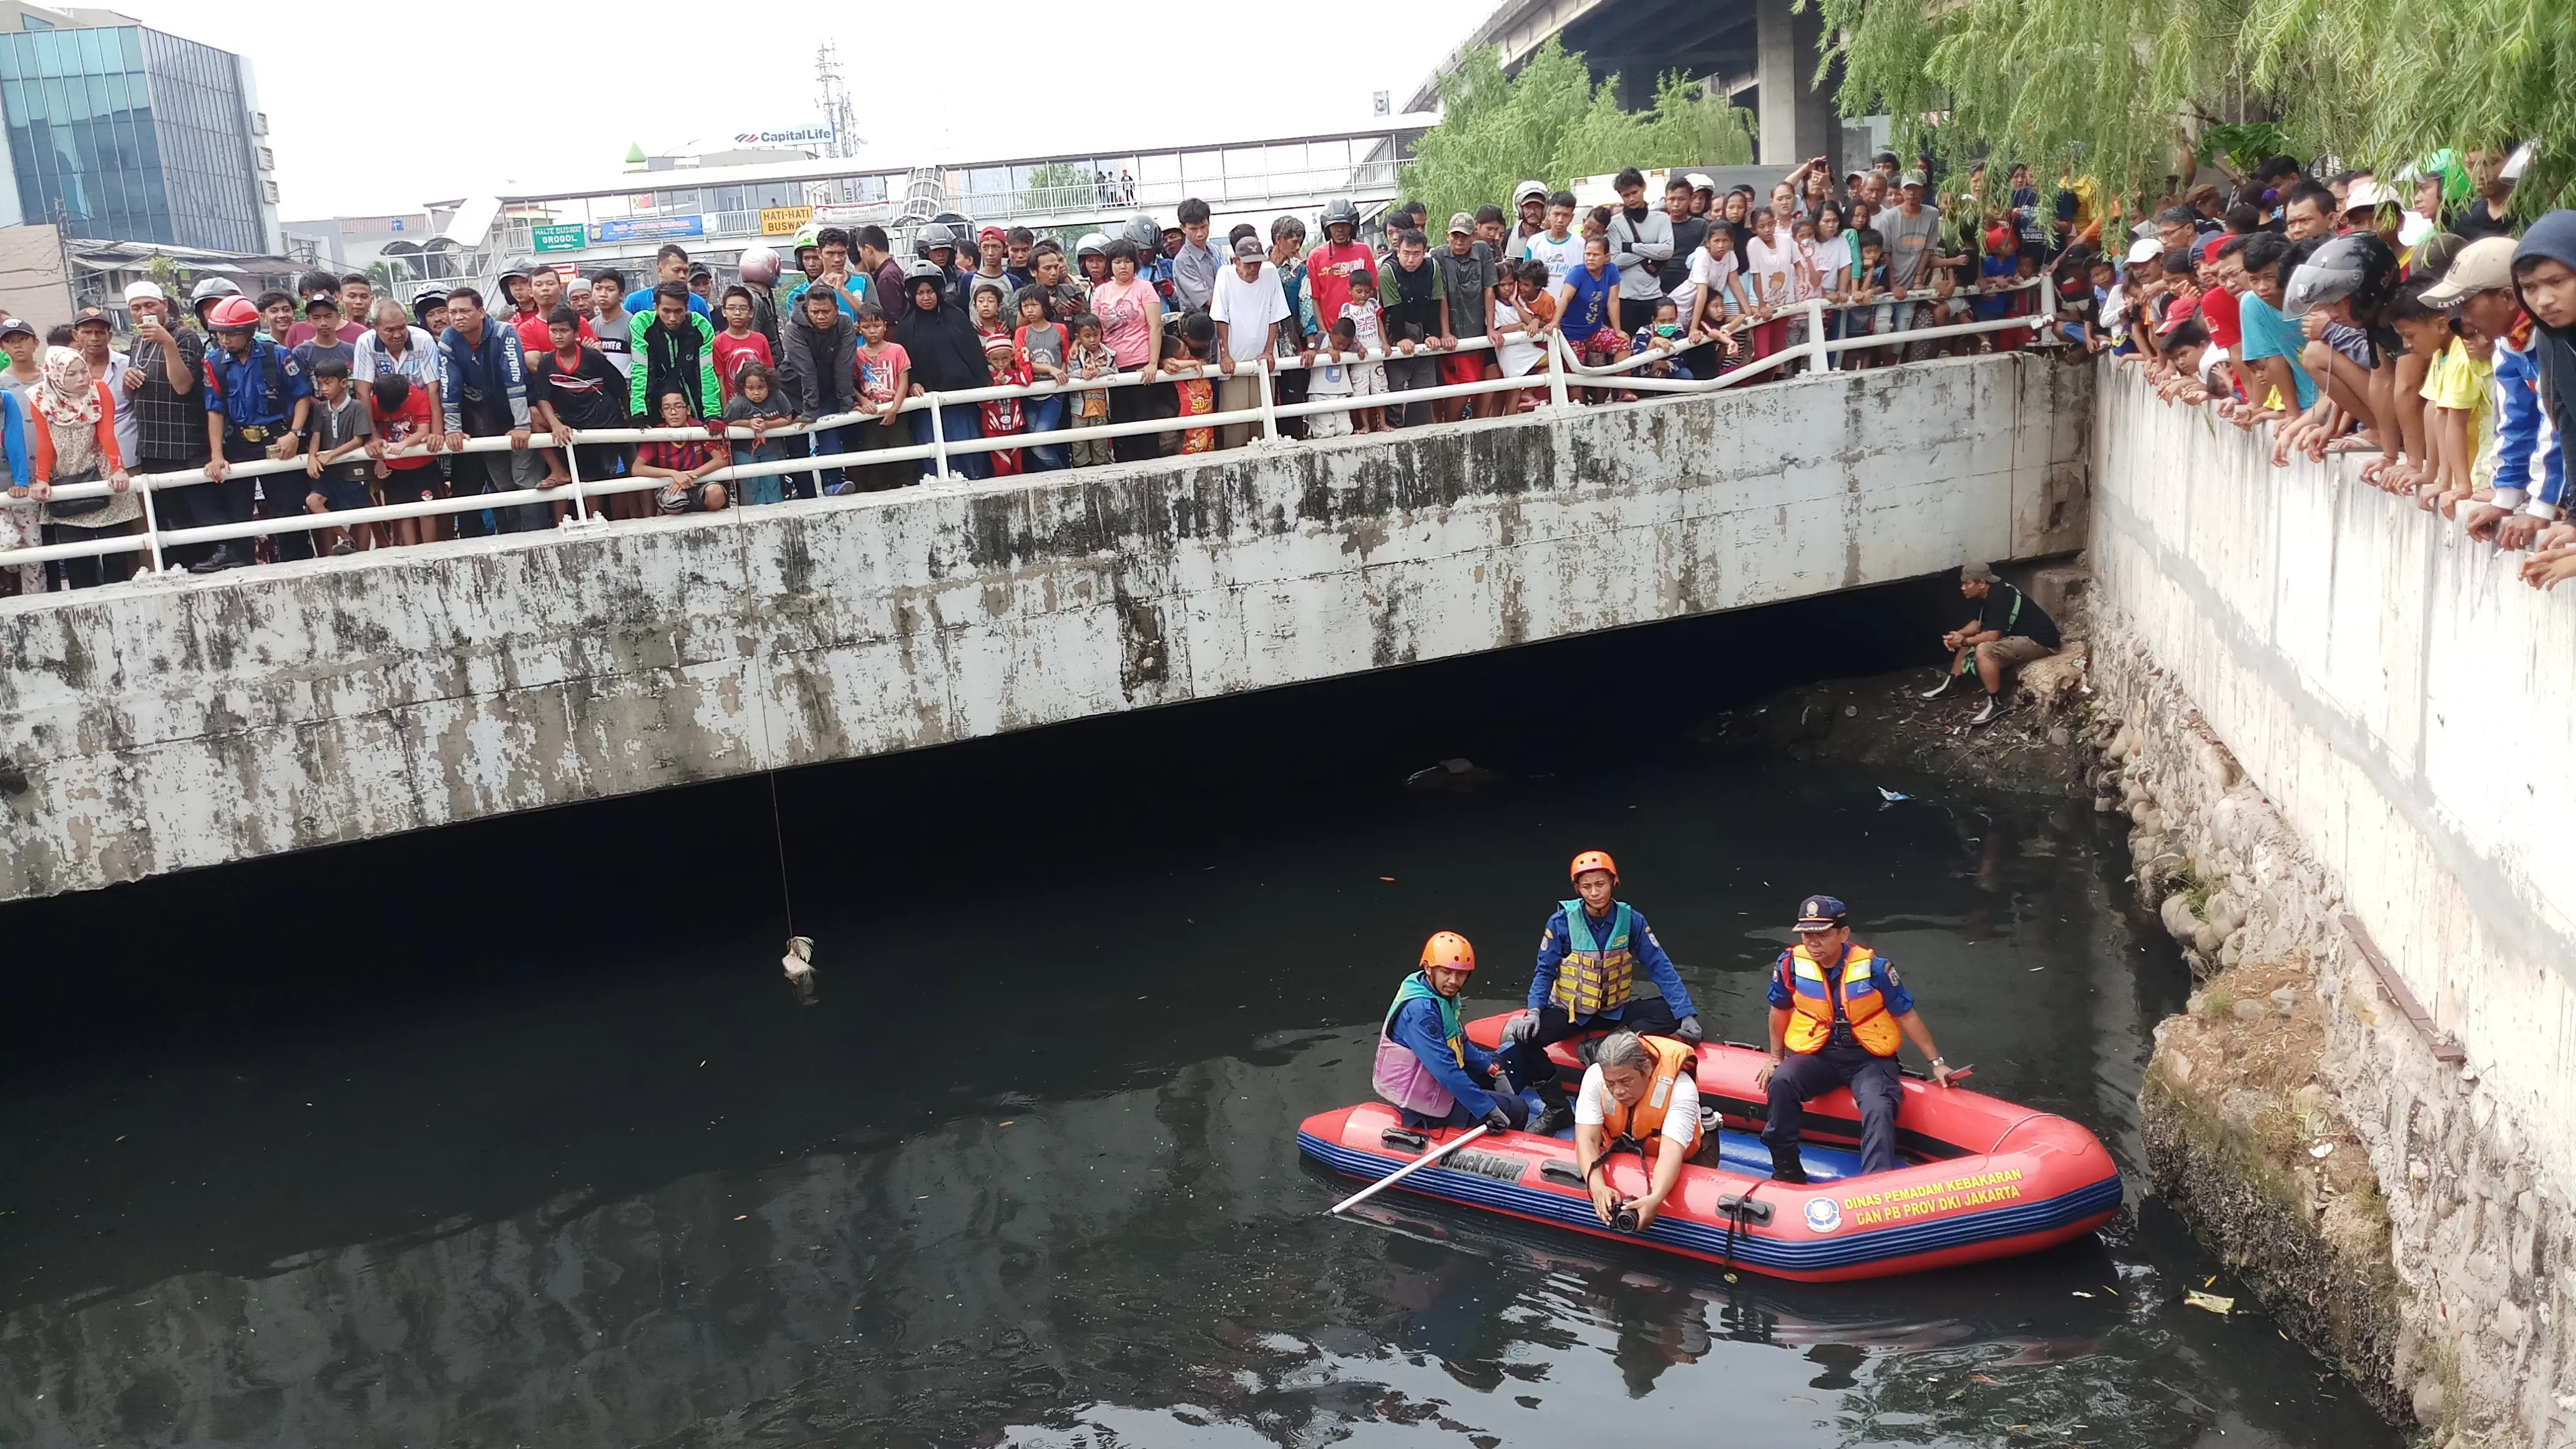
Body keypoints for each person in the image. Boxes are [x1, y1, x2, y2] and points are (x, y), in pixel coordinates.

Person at [1498, 851, 1703, 1129]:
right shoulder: (1561, 923)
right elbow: (1544, 972)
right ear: (1577, 889)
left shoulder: (1632, 921)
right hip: (1570, 1012)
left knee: (1672, 1012)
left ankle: (1602, 1045)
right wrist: (1534, 1011)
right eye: (1587, 887)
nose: (1594, 893)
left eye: (1601, 884)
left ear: (1613, 882)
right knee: (1527, 1039)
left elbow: (1661, 967)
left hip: (1613, 1012)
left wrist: (1686, 1013)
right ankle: (1557, 1108)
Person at [1756, 895, 1954, 1181]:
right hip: (1819, 1054)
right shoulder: (1790, 964)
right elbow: (1779, 1008)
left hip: (1868, 1058)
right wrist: (1776, 1059)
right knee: (1782, 1081)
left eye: (1822, 935)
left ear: (1843, 934)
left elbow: (1906, 1015)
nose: (1813, 942)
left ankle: (1875, 1184)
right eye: (1807, 935)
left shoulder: (1875, 969)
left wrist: (1937, 1062)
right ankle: (1786, 1167)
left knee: (1878, 1105)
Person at [196, 295, 312, 572]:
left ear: (249, 332)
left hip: (278, 440)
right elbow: (215, 411)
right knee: (238, 510)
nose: (224, 340)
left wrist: (294, 434)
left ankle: (297, 566)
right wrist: (217, 456)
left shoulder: (278, 356)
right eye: (220, 334)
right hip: (239, 442)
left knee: (288, 509)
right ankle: (243, 565)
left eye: (231, 334)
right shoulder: (214, 363)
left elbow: (303, 397)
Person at [1372, 931, 1531, 1132]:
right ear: (1428, 968)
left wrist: (1489, 1067)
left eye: (1461, 974)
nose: (1454, 981)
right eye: (1446, 972)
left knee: (1497, 1064)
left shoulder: (1437, 992)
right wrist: (1486, 1108)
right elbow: (1445, 1069)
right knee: (1517, 1110)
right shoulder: (1420, 1010)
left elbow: (1458, 1040)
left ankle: (1487, 1103)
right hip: (1421, 1101)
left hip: (1432, 1077)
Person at [21, 344, 135, 587]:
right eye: (71, 374)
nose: (82, 378)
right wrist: (42, 478)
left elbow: (106, 433)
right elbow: (45, 443)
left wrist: (118, 468)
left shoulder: (99, 389)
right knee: (77, 556)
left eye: (83, 371)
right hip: (65, 472)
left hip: (101, 468)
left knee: (116, 548)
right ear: (55, 374)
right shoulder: (40, 396)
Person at [436, 286, 545, 537]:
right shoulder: (449, 338)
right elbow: (449, 387)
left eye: (465, 310)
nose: (458, 317)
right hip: (483, 421)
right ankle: (508, 539)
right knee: (500, 484)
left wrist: (522, 425)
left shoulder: (504, 333)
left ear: (481, 311)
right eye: (453, 312)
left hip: (518, 414)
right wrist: (453, 428)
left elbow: (515, 380)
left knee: (525, 480)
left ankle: (537, 538)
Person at [120, 280, 213, 568]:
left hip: (186, 443)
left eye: (150, 305)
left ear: (164, 306)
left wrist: (168, 343)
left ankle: (207, 568)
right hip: (151, 444)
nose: (144, 312)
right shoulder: (136, 342)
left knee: (198, 516)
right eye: (136, 308)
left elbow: (184, 386)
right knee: (167, 521)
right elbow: (133, 394)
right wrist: (128, 381)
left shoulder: (184, 336)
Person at [1571, 1030, 1700, 1233]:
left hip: (1681, 1156)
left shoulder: (1680, 1087)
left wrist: (1656, 1197)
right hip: (1619, 1147)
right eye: (1611, 1084)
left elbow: (1670, 1152)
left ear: (1647, 1069)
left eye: (1626, 1081)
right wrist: (1596, 1186)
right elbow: (1586, 1139)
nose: (1619, 1092)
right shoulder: (1596, 1076)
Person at [524, 305, 635, 516]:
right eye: (553, 330)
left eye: (563, 331)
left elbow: (619, 387)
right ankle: (563, 478)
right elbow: (542, 398)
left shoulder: (593, 357)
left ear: (576, 333)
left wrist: (626, 417)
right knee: (585, 476)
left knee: (612, 479)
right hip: (572, 423)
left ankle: (612, 522)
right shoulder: (547, 362)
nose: (558, 336)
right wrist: (556, 424)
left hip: (604, 423)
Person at [1921, 560, 2062, 724]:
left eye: (1967, 584)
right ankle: (1952, 685)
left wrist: (1964, 641)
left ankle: (1997, 704)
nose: (1963, 588)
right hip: (2019, 638)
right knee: (1969, 642)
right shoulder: (1986, 595)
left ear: (1982, 583)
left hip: (2040, 642)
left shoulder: (2000, 595)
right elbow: (1977, 624)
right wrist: (1958, 635)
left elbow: (1993, 636)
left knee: (1983, 649)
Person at [891, 260, 993, 481]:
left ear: (938, 291)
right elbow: (903, 364)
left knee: (968, 450)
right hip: (926, 403)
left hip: (961, 401)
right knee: (933, 453)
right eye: (920, 293)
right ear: (911, 295)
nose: (926, 297)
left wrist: (985, 385)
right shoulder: (907, 325)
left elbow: (974, 355)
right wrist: (913, 383)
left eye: (930, 292)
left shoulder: (956, 317)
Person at [776, 286, 858, 497]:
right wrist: (810, 410)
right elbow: (806, 370)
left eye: (826, 311)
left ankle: (832, 484)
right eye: (815, 312)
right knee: (797, 445)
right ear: (807, 310)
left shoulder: (845, 323)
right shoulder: (793, 327)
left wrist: (846, 401)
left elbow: (845, 364)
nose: (821, 316)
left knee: (830, 432)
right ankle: (806, 494)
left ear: (836, 309)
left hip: (829, 387)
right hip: (793, 390)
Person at [300, 358, 374, 555]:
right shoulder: (320, 409)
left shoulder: (356, 406)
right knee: (313, 501)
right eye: (320, 383)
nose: (323, 388)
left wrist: (331, 455)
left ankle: (362, 552)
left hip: (351, 469)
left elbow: (359, 440)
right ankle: (346, 538)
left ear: (343, 383)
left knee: (360, 511)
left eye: (328, 383)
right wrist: (312, 458)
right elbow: (316, 435)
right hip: (329, 471)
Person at [365, 373, 441, 545]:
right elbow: (374, 430)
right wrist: (379, 461)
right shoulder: (375, 403)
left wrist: (403, 445)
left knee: (427, 510)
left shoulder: (419, 397)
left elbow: (423, 431)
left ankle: (432, 552)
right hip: (394, 468)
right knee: (404, 513)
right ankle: (411, 552)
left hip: (423, 464)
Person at [628, 281, 720, 424]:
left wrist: (713, 414)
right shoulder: (641, 323)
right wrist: (639, 412)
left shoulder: (701, 326)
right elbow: (640, 369)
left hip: (692, 401)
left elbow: (707, 372)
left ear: (687, 309)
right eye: (666, 311)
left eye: (679, 311)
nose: (672, 318)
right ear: (656, 308)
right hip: (654, 400)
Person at [633, 389, 729, 514]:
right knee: (675, 503)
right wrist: (674, 475)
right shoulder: (656, 433)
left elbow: (722, 459)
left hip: (699, 483)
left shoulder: (700, 428)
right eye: (667, 408)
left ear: (688, 410)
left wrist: (690, 476)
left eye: (678, 406)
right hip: (672, 486)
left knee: (716, 494)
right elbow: (637, 469)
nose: (673, 412)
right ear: (662, 413)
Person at [849, 305, 913, 490]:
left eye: (876, 326)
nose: (872, 331)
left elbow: (903, 382)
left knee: (902, 455)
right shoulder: (856, 355)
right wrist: (863, 400)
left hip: (898, 413)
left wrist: (895, 408)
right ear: (859, 328)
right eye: (867, 327)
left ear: (885, 326)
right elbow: (849, 384)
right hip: (871, 416)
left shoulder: (897, 350)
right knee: (874, 458)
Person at [721, 363, 798, 504]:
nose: (756, 393)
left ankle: (777, 509)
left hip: (772, 449)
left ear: (769, 386)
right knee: (751, 483)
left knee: (772, 480)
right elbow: (727, 422)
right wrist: (748, 423)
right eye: (750, 389)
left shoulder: (777, 396)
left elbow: (788, 417)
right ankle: (752, 514)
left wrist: (768, 425)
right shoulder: (737, 403)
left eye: (761, 388)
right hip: (745, 451)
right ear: (743, 388)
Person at [1012, 290, 1070, 470]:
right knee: (1036, 443)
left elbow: (1065, 358)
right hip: (1030, 395)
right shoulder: (1022, 333)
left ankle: (1063, 475)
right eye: (1025, 306)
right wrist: (1050, 369)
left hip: (1054, 394)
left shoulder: (1060, 330)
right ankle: (1060, 475)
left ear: (1045, 306)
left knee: (1039, 442)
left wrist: (1061, 376)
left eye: (1034, 305)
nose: (1029, 310)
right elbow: (1022, 362)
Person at [625, 245, 711, 318]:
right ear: (660, 271)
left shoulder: (699, 303)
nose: (683, 276)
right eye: (677, 270)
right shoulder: (635, 301)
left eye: (686, 271)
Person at [1171, 197, 1221, 312]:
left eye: (1203, 227)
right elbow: (1208, 301)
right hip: (1199, 325)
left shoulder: (1214, 251)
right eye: (1193, 229)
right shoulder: (1183, 261)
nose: (1200, 234)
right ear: (1183, 229)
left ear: (1209, 222)